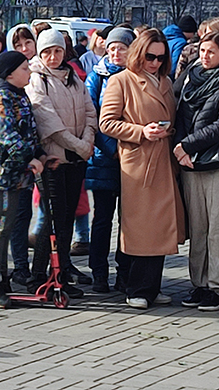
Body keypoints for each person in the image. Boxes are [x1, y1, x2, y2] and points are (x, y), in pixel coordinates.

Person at [99, 28, 184, 309]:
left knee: (159, 226)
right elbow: (106, 123)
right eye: (150, 57)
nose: (156, 63)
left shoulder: (165, 82)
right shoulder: (121, 81)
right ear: (139, 53)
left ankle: (151, 286)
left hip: (163, 159)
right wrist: (140, 131)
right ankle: (135, 287)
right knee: (140, 226)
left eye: (161, 58)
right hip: (138, 161)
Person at [173, 29, 219, 312]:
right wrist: (182, 147)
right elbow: (175, 110)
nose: (205, 56)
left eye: (212, 51)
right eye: (202, 50)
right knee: (198, 225)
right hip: (190, 161)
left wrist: (185, 145)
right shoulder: (190, 75)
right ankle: (198, 283)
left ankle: (217, 286)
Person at [25, 28, 96, 298]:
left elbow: (90, 111)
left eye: (57, 51)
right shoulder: (36, 79)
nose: (53, 57)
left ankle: (62, 270)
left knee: (67, 218)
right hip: (54, 160)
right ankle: (37, 275)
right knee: (52, 218)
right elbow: (49, 123)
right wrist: (79, 146)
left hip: (76, 159)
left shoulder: (73, 78)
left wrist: (88, 139)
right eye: (47, 52)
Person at [0, 51, 45, 308]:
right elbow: (7, 137)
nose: (29, 72)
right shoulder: (1, 97)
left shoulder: (19, 95)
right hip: (2, 174)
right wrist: (30, 157)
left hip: (19, 174)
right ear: (9, 73)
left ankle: (3, 274)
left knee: (10, 227)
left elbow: (29, 130)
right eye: (24, 68)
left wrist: (40, 153)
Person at [84, 26, 134, 294]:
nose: (116, 53)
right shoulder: (96, 78)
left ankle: (124, 271)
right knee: (103, 219)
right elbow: (91, 116)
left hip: (131, 160)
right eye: (112, 47)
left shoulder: (137, 77)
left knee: (128, 220)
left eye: (122, 48)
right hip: (104, 159)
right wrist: (112, 148)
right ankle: (99, 272)